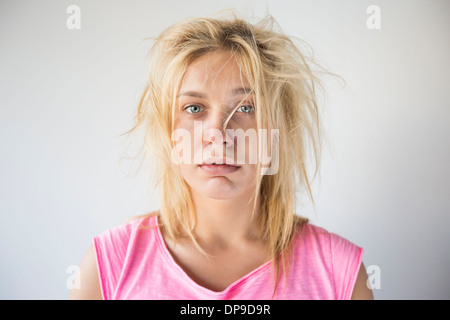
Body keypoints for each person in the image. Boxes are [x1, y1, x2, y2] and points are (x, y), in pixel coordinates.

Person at [69, 12, 373, 300]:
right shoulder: (108, 266)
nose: (218, 134)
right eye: (194, 108)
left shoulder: (339, 273)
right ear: (168, 130)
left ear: (275, 131)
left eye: (246, 108)